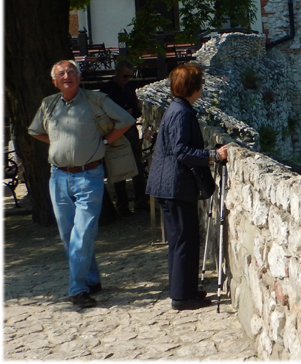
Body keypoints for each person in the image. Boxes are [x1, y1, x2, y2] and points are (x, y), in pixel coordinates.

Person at [28, 60, 134, 308]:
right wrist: (58, 144)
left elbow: (126, 120)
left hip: (89, 176)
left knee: (83, 233)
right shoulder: (48, 103)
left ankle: (77, 289)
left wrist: (104, 142)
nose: (67, 76)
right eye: (61, 73)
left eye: (71, 72)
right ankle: (91, 279)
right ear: (54, 81)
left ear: (79, 77)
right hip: (58, 177)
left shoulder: (96, 100)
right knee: (69, 235)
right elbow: (35, 131)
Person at [146, 63, 228, 311]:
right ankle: (182, 296)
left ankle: (185, 289)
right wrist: (213, 156)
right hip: (176, 185)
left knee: (181, 240)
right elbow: (181, 150)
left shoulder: (176, 109)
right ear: (194, 87)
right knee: (184, 240)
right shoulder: (181, 113)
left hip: (170, 185)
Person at [100, 60, 148, 215]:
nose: (127, 79)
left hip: (130, 130)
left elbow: (135, 109)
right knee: (118, 168)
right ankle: (123, 206)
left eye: (130, 76)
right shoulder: (106, 91)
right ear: (117, 72)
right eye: (125, 76)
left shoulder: (129, 87)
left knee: (138, 167)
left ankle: (141, 202)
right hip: (116, 131)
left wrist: (133, 110)